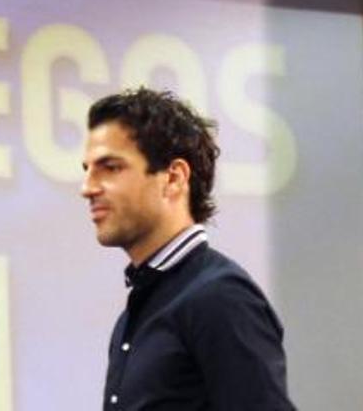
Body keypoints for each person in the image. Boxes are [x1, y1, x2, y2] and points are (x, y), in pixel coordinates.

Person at [80, 87, 295, 410]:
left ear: (174, 178)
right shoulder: (134, 315)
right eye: (87, 169)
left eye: (110, 167)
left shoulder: (220, 297)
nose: (88, 188)